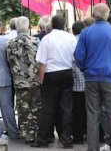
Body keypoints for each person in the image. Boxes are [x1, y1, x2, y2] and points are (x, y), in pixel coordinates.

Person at [75, 3, 111, 151]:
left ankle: (92, 148)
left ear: (93, 14)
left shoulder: (86, 33)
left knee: (92, 114)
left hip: (91, 78)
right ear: (108, 14)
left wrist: (84, 69)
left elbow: (78, 56)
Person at [32, 15, 77, 148]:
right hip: (67, 72)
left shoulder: (47, 39)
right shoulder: (71, 38)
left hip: (51, 74)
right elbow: (75, 58)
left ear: (51, 24)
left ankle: (43, 139)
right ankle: (67, 138)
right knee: (66, 108)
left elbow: (41, 62)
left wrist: (41, 79)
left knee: (48, 108)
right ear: (64, 24)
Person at [6, 16, 41, 144]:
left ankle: (26, 134)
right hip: (35, 79)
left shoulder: (10, 43)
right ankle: (36, 133)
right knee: (36, 107)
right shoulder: (36, 41)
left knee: (23, 108)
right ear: (28, 27)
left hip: (19, 81)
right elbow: (40, 60)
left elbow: (9, 61)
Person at [71, 20, 87, 144]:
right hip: (89, 81)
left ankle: (78, 137)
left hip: (76, 83)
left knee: (77, 111)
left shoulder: (70, 41)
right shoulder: (87, 40)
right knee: (90, 111)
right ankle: (90, 133)